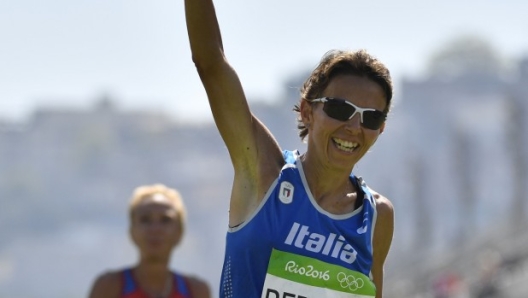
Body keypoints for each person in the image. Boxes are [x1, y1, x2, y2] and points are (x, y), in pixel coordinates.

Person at [185, 1, 395, 297]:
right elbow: (210, 62)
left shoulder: (377, 216)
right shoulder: (265, 174)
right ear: (307, 112)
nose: (354, 126)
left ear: (381, 129)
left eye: (371, 116)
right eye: (340, 108)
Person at [88, 184, 211, 298]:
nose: (155, 229)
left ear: (179, 232)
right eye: (145, 219)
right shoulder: (109, 286)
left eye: (165, 220)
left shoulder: (196, 290)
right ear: (132, 231)